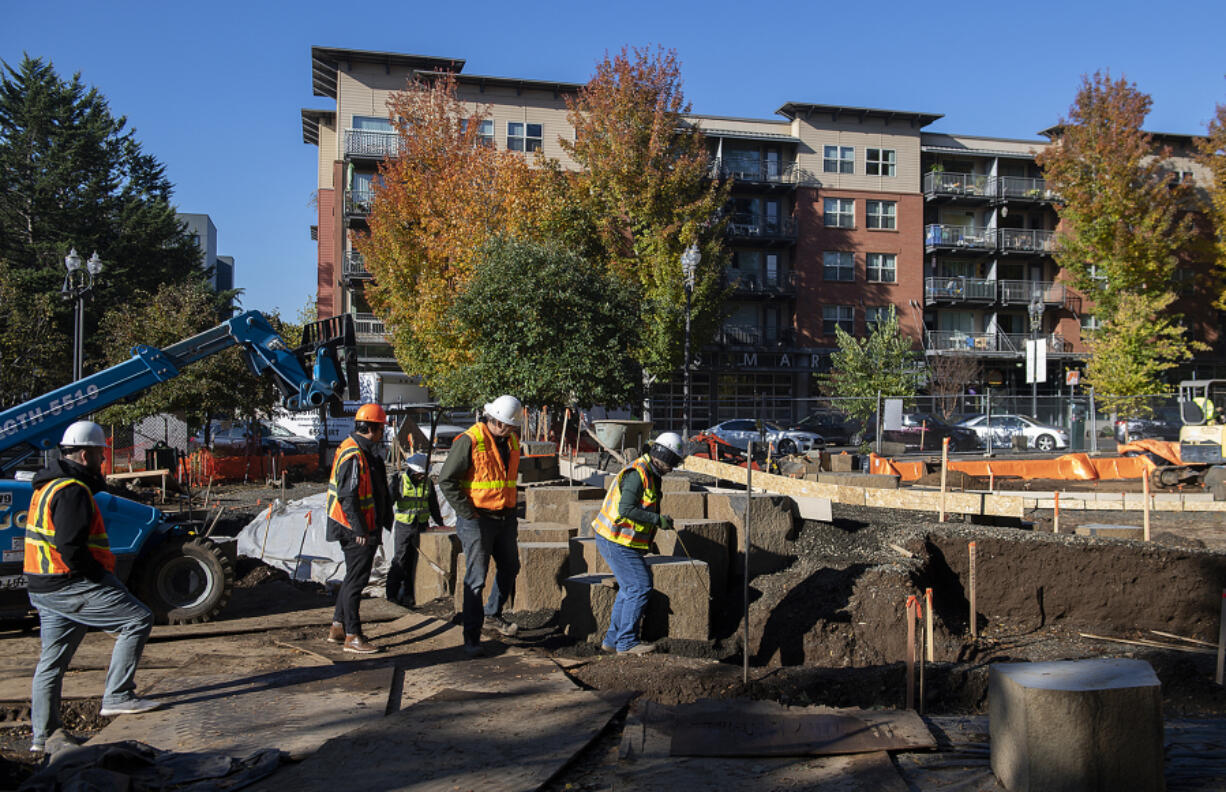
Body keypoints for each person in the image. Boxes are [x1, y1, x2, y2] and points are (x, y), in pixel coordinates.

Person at [25, 421, 160, 755]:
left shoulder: (48, 486)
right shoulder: (71, 491)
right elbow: (71, 549)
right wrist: (101, 578)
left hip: (43, 587)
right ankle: (118, 696)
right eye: (100, 454)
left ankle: (42, 737)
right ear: (85, 454)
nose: (102, 461)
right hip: (69, 584)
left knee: (51, 663)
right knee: (137, 619)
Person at [439, 395, 523, 657]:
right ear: (494, 420)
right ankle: (471, 637)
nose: (509, 430)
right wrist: (468, 512)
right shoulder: (470, 440)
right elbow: (447, 480)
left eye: (511, 426)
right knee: (476, 579)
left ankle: (492, 613)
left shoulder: (510, 440)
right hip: (478, 519)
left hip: (505, 517)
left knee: (510, 566)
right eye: (505, 425)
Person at [591, 432, 686, 655]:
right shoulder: (637, 474)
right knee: (640, 586)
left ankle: (612, 642)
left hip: (622, 541)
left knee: (629, 588)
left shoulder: (651, 473)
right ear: (660, 455)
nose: (672, 468)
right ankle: (626, 643)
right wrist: (657, 520)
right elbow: (626, 510)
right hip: (614, 540)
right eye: (671, 462)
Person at [325, 403, 392, 653]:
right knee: (356, 581)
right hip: (356, 529)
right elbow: (348, 496)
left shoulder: (360, 451)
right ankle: (353, 636)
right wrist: (360, 530)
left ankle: (338, 627)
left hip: (358, 526)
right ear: (372, 428)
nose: (382, 433)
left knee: (351, 577)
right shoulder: (354, 454)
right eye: (381, 428)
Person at [385, 452, 442, 608]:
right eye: (420, 475)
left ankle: (409, 595)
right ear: (413, 471)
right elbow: (388, 502)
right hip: (404, 527)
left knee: (415, 562)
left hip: (421, 526)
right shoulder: (400, 482)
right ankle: (391, 594)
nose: (422, 477)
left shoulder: (428, 483)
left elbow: (433, 505)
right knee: (400, 560)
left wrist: (440, 523)